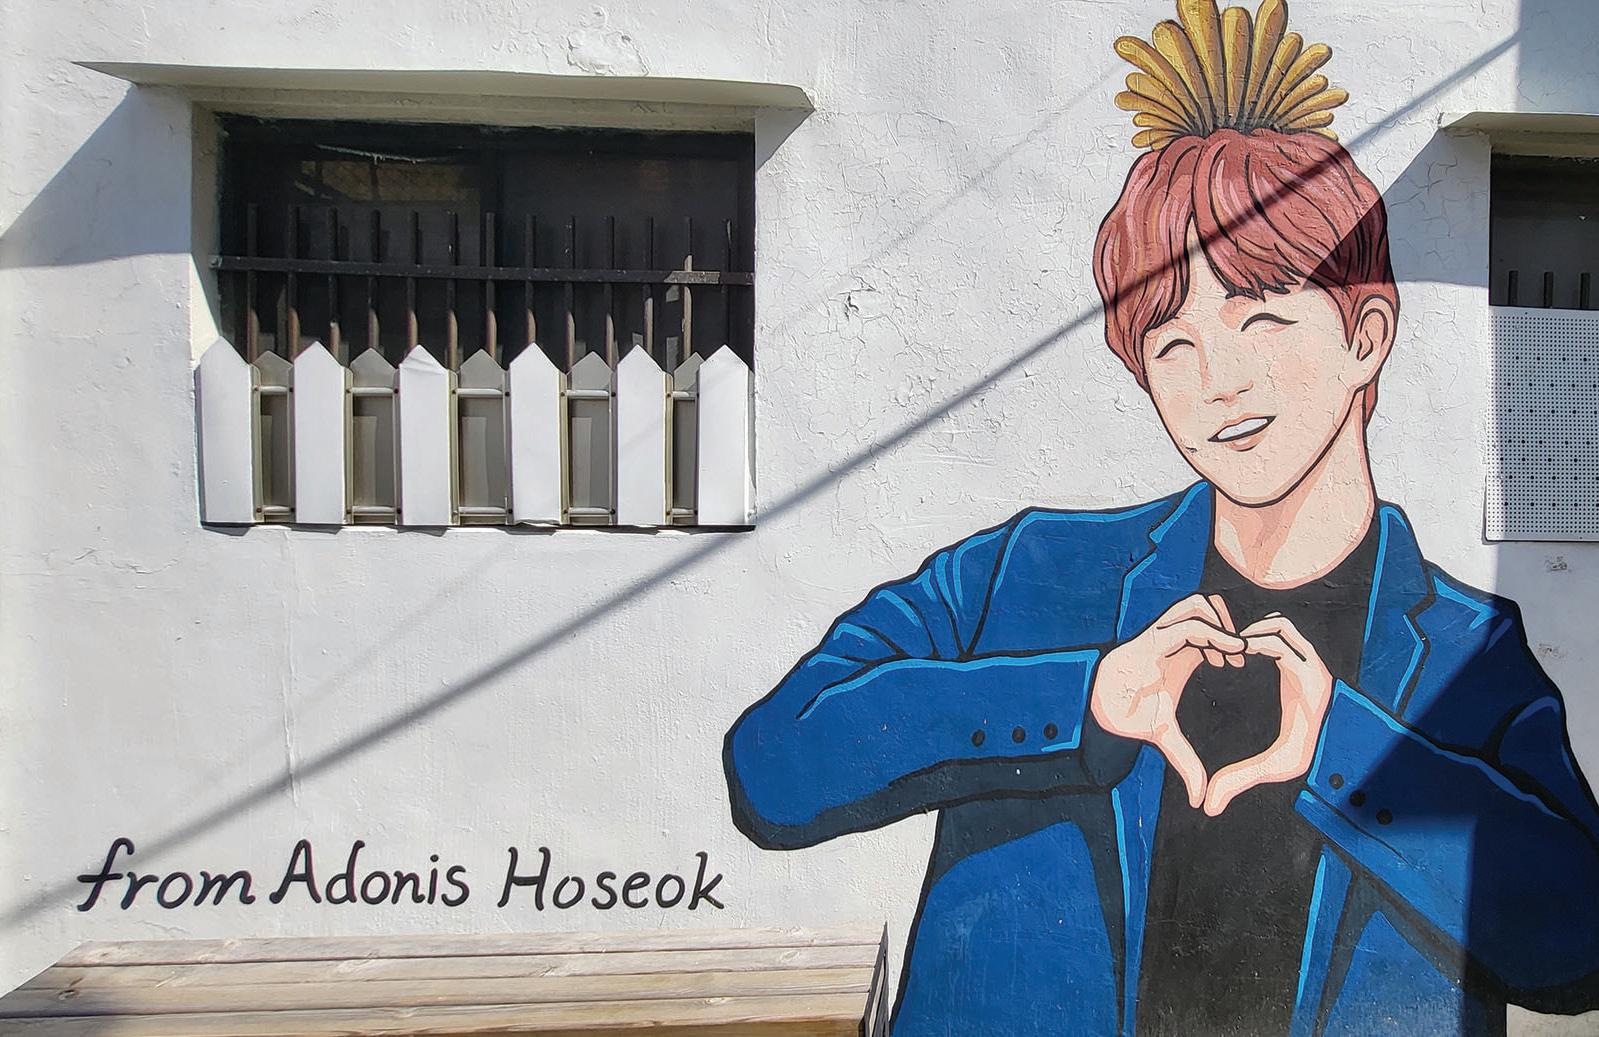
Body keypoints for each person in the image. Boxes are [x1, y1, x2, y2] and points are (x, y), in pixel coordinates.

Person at [722, 1, 1599, 1034]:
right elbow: (775, 764)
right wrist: (1085, 697)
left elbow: (1576, 944)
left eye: (1260, 316)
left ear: (1365, 334)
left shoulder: (1464, 651)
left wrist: (1344, 749)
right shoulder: (1024, 574)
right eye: (1170, 345)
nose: (1215, 381)